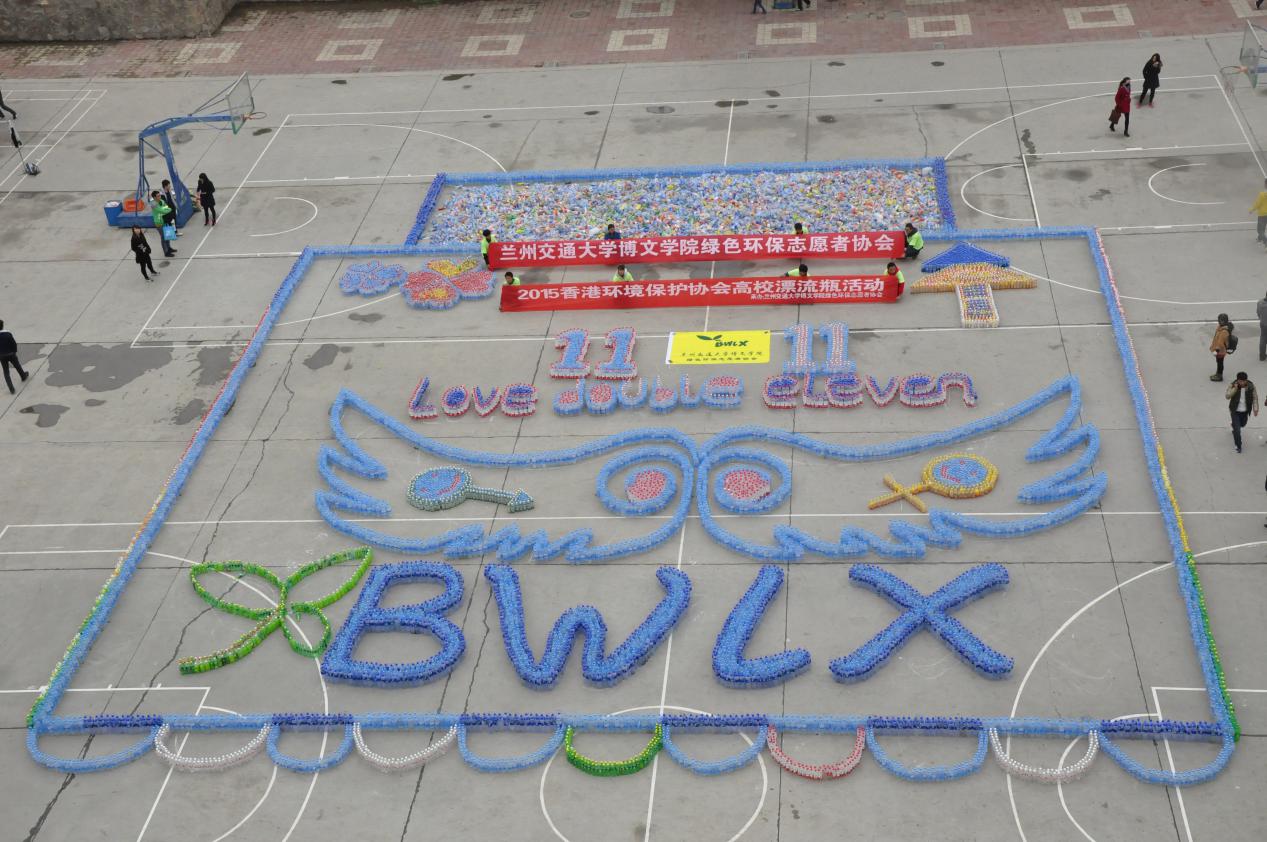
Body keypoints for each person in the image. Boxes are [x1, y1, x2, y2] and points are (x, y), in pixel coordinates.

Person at [1227, 372, 1259, 453]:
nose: (1242, 383)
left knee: (1242, 424)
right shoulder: (1233, 385)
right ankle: (1238, 446)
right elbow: (1227, 396)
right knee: (1237, 430)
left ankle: (1233, 425)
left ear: (1246, 380)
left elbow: (1255, 398)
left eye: (1244, 381)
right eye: (1240, 381)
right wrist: (1235, 389)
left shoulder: (1251, 386)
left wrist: (1255, 409)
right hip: (1235, 411)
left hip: (1245, 411)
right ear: (1237, 380)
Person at [0, 320, 29, 395]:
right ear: (2, 326)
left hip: (2, 356)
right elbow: (13, 343)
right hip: (11, 353)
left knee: (6, 372)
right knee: (17, 365)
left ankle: (11, 388)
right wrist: (14, 351)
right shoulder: (8, 334)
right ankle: (23, 376)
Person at [150, 191, 176, 257]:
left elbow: (166, 207)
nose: (160, 197)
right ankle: (166, 252)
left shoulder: (162, 201)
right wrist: (168, 210)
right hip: (159, 223)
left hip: (165, 221)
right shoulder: (153, 204)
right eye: (158, 196)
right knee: (163, 237)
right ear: (154, 197)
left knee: (167, 235)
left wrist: (167, 209)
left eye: (160, 195)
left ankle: (169, 248)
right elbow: (162, 211)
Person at [1211, 313, 1233, 382]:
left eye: (1222, 320)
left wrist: (1216, 351)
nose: (1220, 321)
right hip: (1220, 350)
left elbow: (1220, 344)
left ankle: (1219, 376)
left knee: (1220, 363)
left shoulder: (1224, 331)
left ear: (1225, 321)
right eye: (1219, 320)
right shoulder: (1221, 328)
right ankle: (1217, 374)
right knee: (1219, 362)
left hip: (1220, 351)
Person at [1250, 179, 1267, 246]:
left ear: (1265, 185)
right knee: (1263, 227)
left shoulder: (1262, 194)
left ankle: (1265, 241)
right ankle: (1260, 238)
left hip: (1262, 215)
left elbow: (1258, 204)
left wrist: (1252, 209)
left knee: (1260, 230)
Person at [1258, 291, 1267, 360]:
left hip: (1263, 323)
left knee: (1263, 338)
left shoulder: (1260, 302)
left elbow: (1258, 312)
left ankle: (1262, 355)